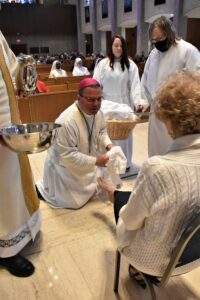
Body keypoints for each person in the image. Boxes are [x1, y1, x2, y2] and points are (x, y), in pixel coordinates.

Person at [98, 70, 200, 280]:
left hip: (155, 261)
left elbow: (131, 221)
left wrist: (121, 204)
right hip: (195, 253)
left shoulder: (157, 168)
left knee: (125, 206)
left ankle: (137, 269)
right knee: (139, 197)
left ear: (170, 119)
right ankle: (117, 195)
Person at [36, 78, 113, 209]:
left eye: (99, 99)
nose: (96, 104)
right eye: (90, 99)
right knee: (73, 203)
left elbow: (101, 131)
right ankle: (41, 190)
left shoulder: (98, 113)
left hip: (85, 161)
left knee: (101, 183)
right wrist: (96, 161)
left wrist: (108, 145)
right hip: (65, 167)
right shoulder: (66, 121)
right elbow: (68, 155)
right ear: (78, 97)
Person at [0, 31, 41, 277]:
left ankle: (18, 234)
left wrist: (24, 79)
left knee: (13, 183)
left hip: (8, 123)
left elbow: (11, 65)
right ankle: (5, 250)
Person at [141, 16, 200, 157]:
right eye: (154, 40)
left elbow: (195, 82)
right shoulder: (154, 55)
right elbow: (146, 80)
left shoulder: (187, 51)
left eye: (160, 38)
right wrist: (144, 101)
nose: (157, 43)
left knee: (177, 156)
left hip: (179, 117)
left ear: (169, 32)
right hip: (156, 115)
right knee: (157, 154)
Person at [93, 34, 146, 176]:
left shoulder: (130, 65)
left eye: (121, 45)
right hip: (106, 106)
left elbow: (135, 86)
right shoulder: (102, 64)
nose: (118, 48)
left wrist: (137, 102)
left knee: (124, 136)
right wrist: (95, 101)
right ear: (111, 47)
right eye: (116, 45)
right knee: (108, 136)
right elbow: (96, 83)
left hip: (124, 105)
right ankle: (109, 163)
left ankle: (126, 164)